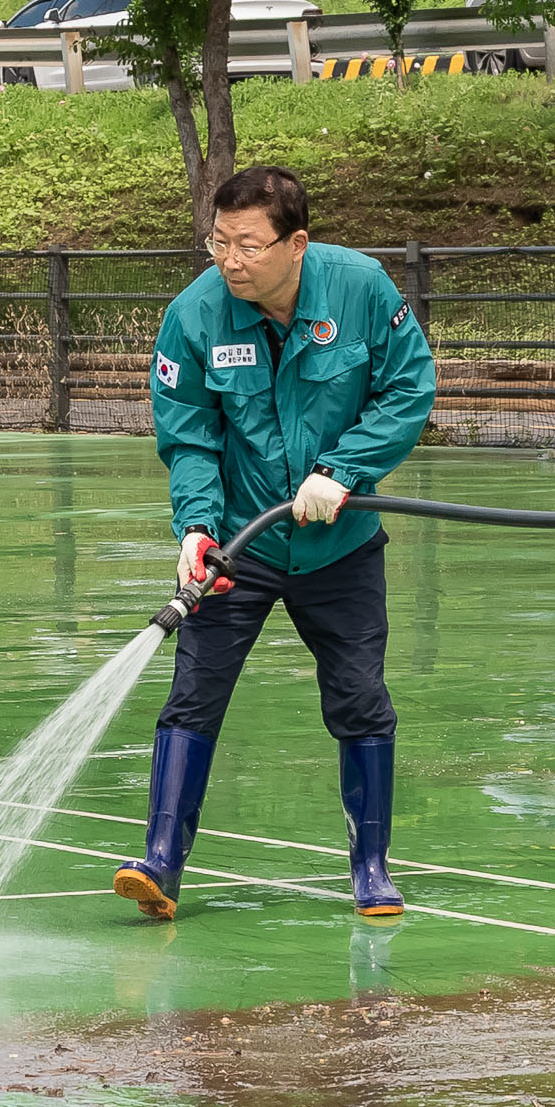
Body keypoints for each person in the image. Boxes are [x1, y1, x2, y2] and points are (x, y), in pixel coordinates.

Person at [113, 166, 437, 922]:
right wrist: (196, 526)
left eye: (248, 245)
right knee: (193, 696)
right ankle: (161, 863)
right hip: (240, 546)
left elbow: (409, 386)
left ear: (297, 243)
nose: (230, 260)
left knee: (359, 699)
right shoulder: (194, 316)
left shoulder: (359, 289)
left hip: (339, 545)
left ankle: (371, 867)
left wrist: (343, 470)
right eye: (218, 242)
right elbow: (188, 434)